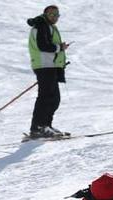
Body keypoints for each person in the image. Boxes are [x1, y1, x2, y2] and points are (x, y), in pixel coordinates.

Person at [27, 5, 69, 138]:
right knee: (46, 97)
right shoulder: (41, 25)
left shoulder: (48, 26)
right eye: (52, 14)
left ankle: (46, 125)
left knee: (54, 98)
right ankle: (39, 127)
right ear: (45, 14)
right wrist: (60, 47)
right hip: (44, 66)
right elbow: (43, 45)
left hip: (50, 66)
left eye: (57, 15)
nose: (55, 17)